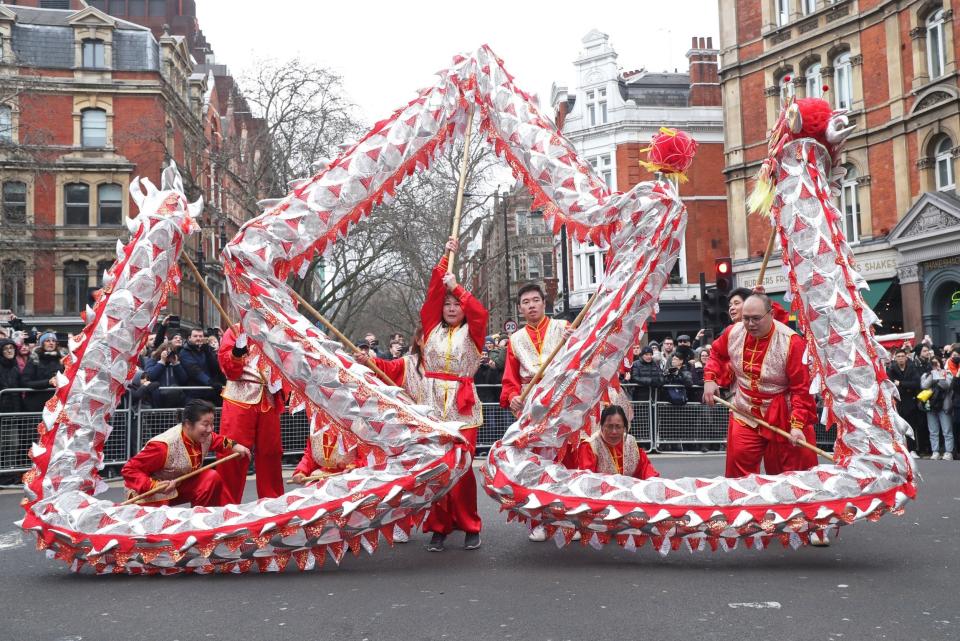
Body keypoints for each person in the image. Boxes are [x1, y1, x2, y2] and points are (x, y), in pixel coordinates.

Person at [359, 237, 488, 552]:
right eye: (448, 304)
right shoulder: (431, 328)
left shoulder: (474, 331)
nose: (452, 307)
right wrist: (446, 254)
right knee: (437, 467)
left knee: (462, 466)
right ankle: (440, 526)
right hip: (433, 406)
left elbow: (480, 312)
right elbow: (432, 294)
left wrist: (457, 287)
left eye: (456, 303)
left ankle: (470, 524)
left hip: (462, 406)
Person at [703, 294, 818, 477]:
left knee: (791, 473)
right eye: (746, 318)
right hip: (744, 411)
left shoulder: (792, 342)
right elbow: (716, 353)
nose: (750, 324)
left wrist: (797, 425)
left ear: (771, 314)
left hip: (783, 415)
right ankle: (742, 505)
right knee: (738, 468)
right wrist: (710, 379)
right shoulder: (733, 332)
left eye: (756, 318)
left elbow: (801, 389)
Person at [121, 399, 250, 506]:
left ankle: (202, 521)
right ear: (188, 424)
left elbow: (219, 440)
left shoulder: (204, 436)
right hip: (150, 492)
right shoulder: (163, 446)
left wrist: (235, 445)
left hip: (178, 485)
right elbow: (129, 470)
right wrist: (154, 485)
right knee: (160, 527)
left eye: (212, 424)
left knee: (211, 478)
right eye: (205, 424)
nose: (210, 429)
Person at [216, 326, 286, 503]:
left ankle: (272, 504)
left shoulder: (278, 331)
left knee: (271, 453)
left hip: (268, 397)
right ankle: (227, 505)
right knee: (232, 452)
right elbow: (229, 369)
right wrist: (237, 353)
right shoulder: (234, 330)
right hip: (239, 397)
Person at [499, 283, 570, 416]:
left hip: (560, 395)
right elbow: (510, 378)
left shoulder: (564, 327)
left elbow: (581, 359)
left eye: (536, 300)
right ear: (520, 308)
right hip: (529, 403)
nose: (531, 305)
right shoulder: (514, 339)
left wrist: (574, 341)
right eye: (526, 302)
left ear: (544, 303)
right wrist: (512, 397)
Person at [577, 405, 659, 479]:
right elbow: (587, 479)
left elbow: (646, 469)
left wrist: (654, 482)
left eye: (618, 426)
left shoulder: (630, 442)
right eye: (609, 426)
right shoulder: (590, 446)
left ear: (624, 427)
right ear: (601, 426)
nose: (614, 431)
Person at [886, 348, 927, 458]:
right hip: (898, 402)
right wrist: (905, 386)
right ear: (895, 358)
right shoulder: (891, 369)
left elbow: (916, 383)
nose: (900, 359)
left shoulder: (912, 368)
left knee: (911, 426)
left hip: (910, 402)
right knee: (898, 427)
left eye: (902, 356)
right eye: (898, 357)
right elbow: (890, 385)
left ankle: (912, 449)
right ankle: (901, 448)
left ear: (906, 357)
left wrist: (901, 383)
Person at [21, 332, 65, 412]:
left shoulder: (62, 360)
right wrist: (48, 382)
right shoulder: (34, 360)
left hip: (55, 406)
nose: (51, 343)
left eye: (53, 341)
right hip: (36, 405)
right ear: (42, 344)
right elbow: (25, 382)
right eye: (47, 340)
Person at [920, 358, 954, 460]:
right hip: (930, 405)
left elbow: (946, 386)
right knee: (933, 431)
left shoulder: (947, 373)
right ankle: (935, 451)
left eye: (937, 363)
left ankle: (949, 452)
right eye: (933, 363)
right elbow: (924, 386)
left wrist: (940, 375)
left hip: (943, 405)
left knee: (947, 430)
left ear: (941, 363)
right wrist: (932, 375)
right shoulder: (926, 375)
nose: (935, 365)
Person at [180, 327, 224, 403]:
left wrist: (208, 353)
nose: (198, 338)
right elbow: (194, 370)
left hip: (210, 391)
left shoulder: (206, 350)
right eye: (195, 336)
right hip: (195, 393)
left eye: (200, 336)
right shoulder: (184, 352)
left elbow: (215, 368)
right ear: (189, 338)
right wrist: (210, 382)